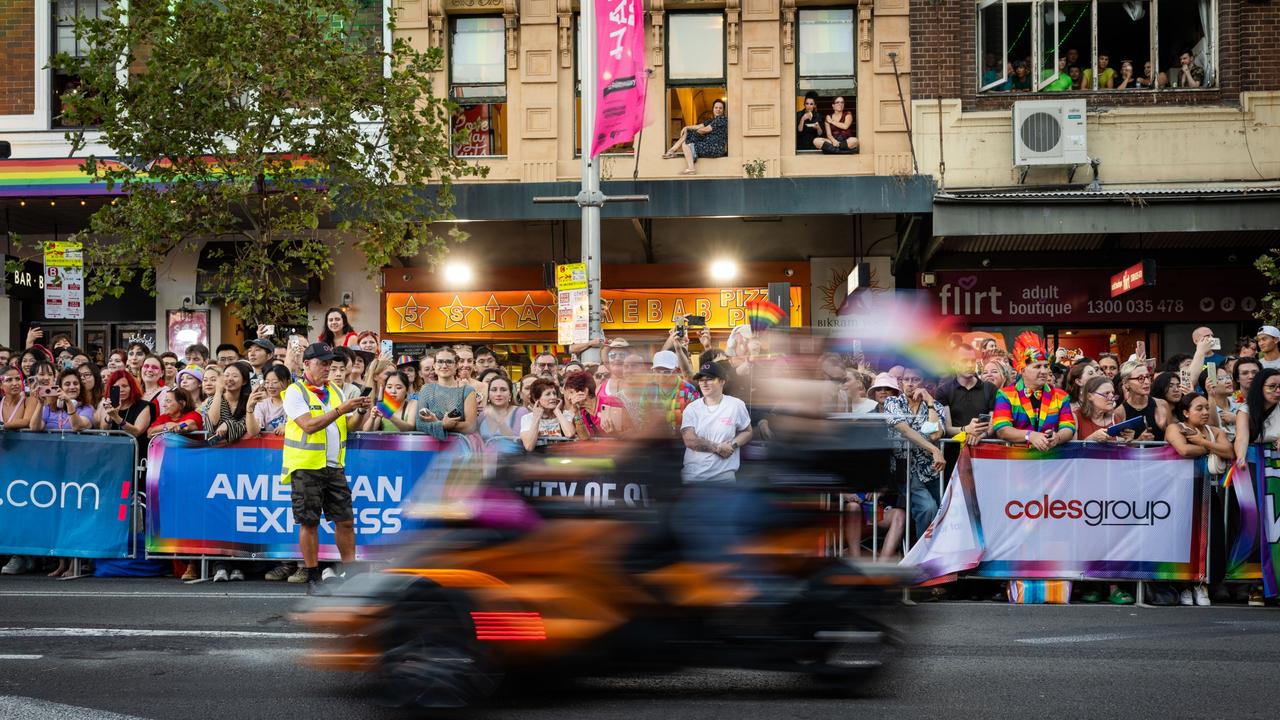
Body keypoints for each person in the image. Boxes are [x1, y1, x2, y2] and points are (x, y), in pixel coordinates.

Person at [283, 343, 373, 595]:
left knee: (345, 521)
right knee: (309, 523)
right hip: (306, 466)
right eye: (322, 363)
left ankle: (351, 574)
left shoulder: (334, 390)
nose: (327, 367)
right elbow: (309, 425)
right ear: (306, 364)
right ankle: (313, 578)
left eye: (329, 363)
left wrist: (360, 412)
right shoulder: (294, 391)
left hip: (334, 466)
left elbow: (349, 426)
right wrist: (341, 409)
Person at [884, 366, 946, 540]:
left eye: (915, 380)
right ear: (901, 382)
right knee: (927, 508)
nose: (910, 384)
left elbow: (935, 434)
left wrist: (930, 403)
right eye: (906, 379)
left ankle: (935, 557)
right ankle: (920, 555)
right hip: (904, 469)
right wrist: (934, 450)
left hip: (931, 469)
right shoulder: (893, 402)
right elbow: (904, 430)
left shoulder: (935, 405)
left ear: (924, 383)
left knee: (942, 511)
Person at [993, 332, 1076, 451]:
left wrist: (1058, 437)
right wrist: (1029, 435)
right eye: (1037, 367)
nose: (1044, 371)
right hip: (1018, 460)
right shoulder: (1005, 394)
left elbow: (1068, 427)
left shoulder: (1061, 396)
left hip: (1052, 460)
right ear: (1022, 370)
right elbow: (1002, 429)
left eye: (1046, 366)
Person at [680, 360, 753, 483]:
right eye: (701, 380)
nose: (704, 383)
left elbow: (747, 431)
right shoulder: (692, 408)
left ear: (722, 381)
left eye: (709, 379)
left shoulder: (736, 405)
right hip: (694, 479)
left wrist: (733, 445)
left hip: (724, 480)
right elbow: (690, 440)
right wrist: (718, 448)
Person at [938, 345, 997, 445]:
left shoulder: (990, 388)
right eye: (964, 361)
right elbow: (947, 428)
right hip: (953, 452)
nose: (970, 365)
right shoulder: (944, 390)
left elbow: (993, 424)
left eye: (973, 361)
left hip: (983, 452)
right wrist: (966, 430)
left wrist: (978, 436)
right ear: (953, 364)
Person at [415, 347, 478, 439]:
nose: (444, 366)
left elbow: (470, 427)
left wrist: (439, 423)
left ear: (456, 366)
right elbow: (419, 424)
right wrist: (443, 424)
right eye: (440, 362)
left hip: (458, 448)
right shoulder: (426, 390)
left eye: (449, 362)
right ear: (435, 366)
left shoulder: (467, 391)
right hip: (430, 448)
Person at [662, 98, 728, 175]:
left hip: (715, 148)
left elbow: (706, 129)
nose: (718, 110)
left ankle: (688, 166)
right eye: (716, 107)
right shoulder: (711, 121)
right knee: (686, 141)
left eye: (720, 108)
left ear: (723, 110)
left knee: (687, 140)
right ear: (713, 109)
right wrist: (686, 127)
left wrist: (695, 132)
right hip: (708, 144)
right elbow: (699, 126)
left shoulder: (722, 119)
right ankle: (672, 151)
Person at [207, 361, 259, 445]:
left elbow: (249, 428)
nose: (229, 379)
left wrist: (228, 425)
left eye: (235, 376)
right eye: (226, 375)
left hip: (244, 450)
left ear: (244, 381)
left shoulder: (250, 400)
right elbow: (212, 422)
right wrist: (218, 392)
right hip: (215, 450)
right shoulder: (214, 399)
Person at [29, 368, 95, 432]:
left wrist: (69, 402)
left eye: (75, 383)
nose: (72, 387)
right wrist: (40, 403)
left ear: (80, 387)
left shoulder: (87, 408)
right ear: (60, 388)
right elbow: (34, 427)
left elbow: (77, 427)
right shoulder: (49, 408)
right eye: (67, 384)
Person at [520, 378, 575, 451]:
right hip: (539, 459)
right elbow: (529, 446)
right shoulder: (527, 418)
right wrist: (536, 418)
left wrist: (558, 412)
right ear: (536, 399)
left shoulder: (565, 414)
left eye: (554, 393)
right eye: (548, 394)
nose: (553, 397)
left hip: (562, 457)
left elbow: (570, 434)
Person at [99, 369, 154, 441]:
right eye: (117, 387)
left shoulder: (143, 406)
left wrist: (116, 417)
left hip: (135, 450)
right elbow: (103, 430)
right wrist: (109, 415)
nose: (121, 390)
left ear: (131, 388)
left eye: (124, 386)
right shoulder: (108, 404)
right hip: (113, 449)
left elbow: (136, 432)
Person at [1117, 359, 1166, 441]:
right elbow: (1120, 449)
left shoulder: (1162, 404)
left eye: (1148, 377)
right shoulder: (1119, 413)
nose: (1147, 382)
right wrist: (1139, 441)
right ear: (1126, 383)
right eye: (1140, 378)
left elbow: (1173, 438)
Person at [1073, 375, 1130, 443]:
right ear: (1089, 396)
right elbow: (1070, 451)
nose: (1112, 397)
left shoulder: (1114, 418)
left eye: (1113, 393)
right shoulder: (1076, 417)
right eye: (1106, 393)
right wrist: (1091, 439)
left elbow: (1121, 450)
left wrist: (1128, 440)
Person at [478, 375, 523, 442]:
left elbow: (516, 441)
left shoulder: (520, 411)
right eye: (494, 390)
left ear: (510, 395)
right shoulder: (482, 414)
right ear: (488, 394)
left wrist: (496, 418)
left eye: (503, 390)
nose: (498, 394)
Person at [251, 365, 293, 436]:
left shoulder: (296, 402)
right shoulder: (262, 404)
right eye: (267, 382)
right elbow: (255, 429)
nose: (270, 386)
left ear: (288, 382)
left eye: (275, 382)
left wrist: (288, 427)